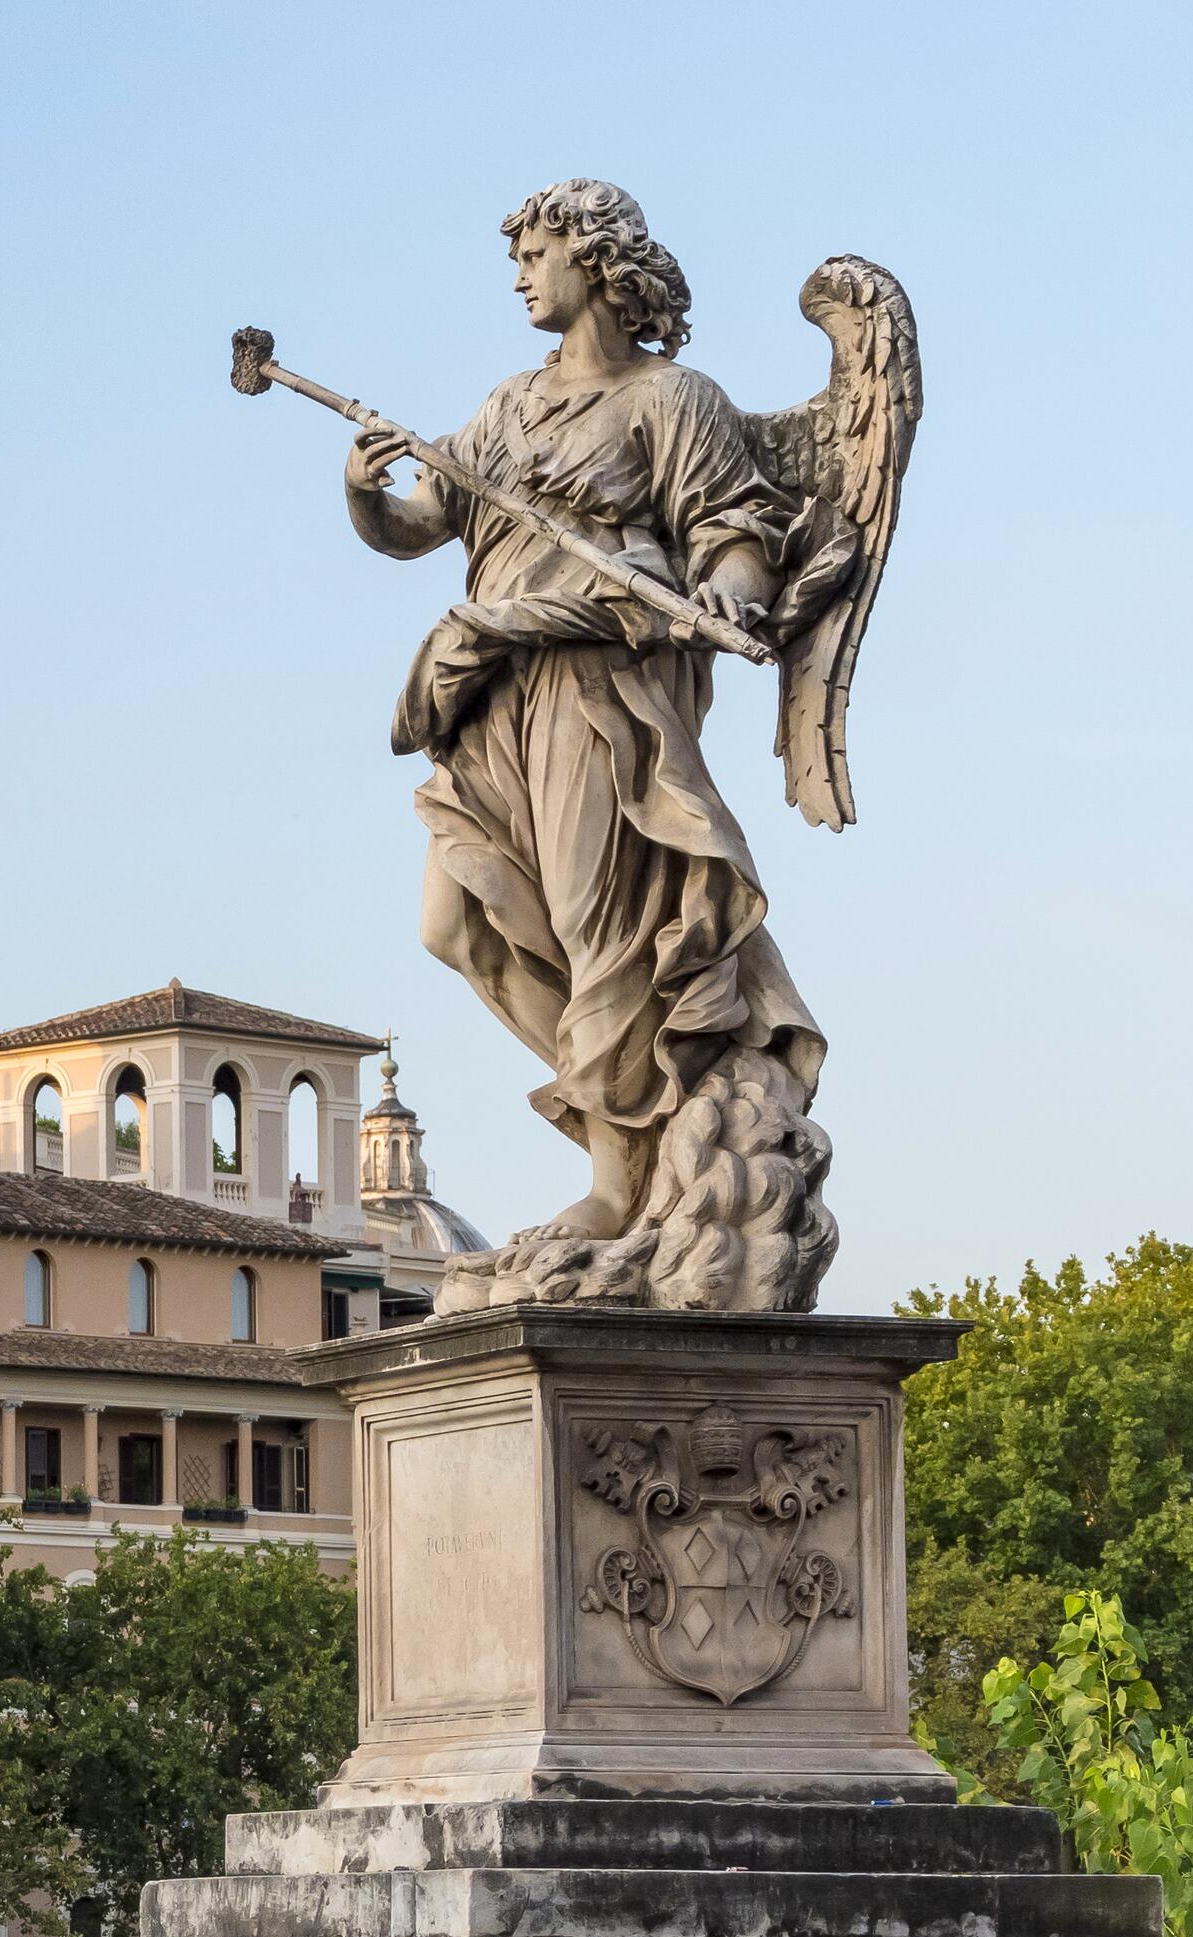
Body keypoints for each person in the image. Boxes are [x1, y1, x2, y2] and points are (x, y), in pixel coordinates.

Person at [342, 179, 824, 1250]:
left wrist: (733, 592)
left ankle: (618, 1177)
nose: (519, 276)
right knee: (455, 922)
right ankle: (634, 1104)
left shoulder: (672, 400)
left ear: (596, 261)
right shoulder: (506, 406)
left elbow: (732, 529)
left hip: (601, 688)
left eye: (534, 255)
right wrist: (365, 493)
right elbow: (422, 524)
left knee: (601, 930)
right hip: (492, 689)